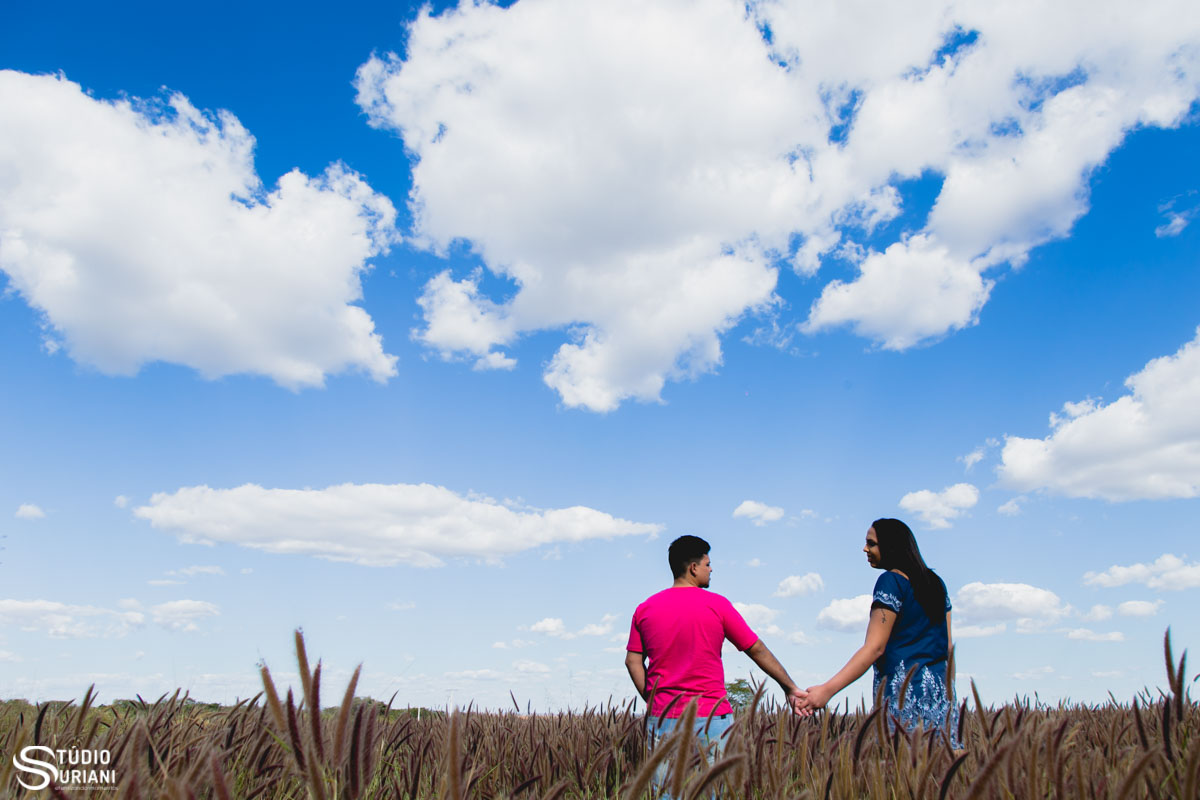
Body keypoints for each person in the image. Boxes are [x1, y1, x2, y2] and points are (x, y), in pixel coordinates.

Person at [626, 535, 804, 793]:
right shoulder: (717, 605)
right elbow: (756, 649)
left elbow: (632, 661)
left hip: (663, 718)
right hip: (713, 718)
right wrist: (789, 687)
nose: (711, 569)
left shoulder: (645, 608)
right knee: (716, 791)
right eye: (707, 564)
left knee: (665, 794)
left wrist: (653, 700)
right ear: (693, 568)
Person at [795, 518, 958, 745]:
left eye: (871, 543)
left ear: (891, 546)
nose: (865, 549)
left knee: (901, 762)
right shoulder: (937, 585)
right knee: (940, 761)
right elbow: (948, 647)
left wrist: (826, 690)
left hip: (904, 700)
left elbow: (875, 647)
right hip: (941, 699)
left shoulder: (891, 582)